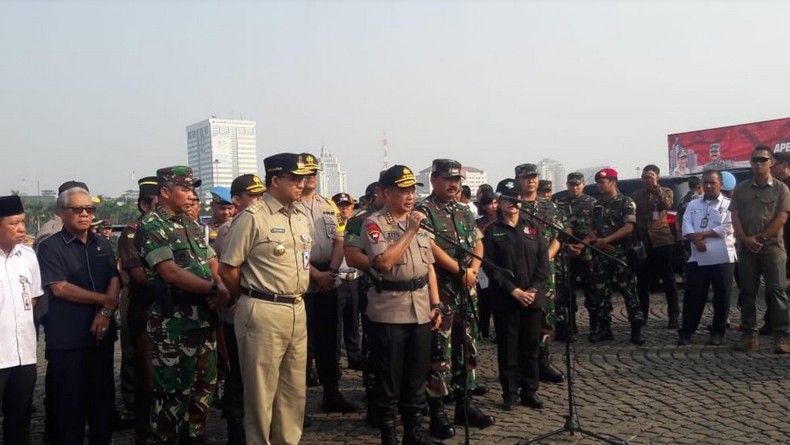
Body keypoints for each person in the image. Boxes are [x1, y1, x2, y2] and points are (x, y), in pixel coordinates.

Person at [218, 153, 313, 445]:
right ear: (275, 180)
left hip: (296, 307)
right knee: (261, 393)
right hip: (262, 308)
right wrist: (246, 296)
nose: (302, 184)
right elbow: (228, 268)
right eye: (294, 179)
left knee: (294, 391)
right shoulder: (252, 217)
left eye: (303, 178)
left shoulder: (299, 216)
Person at [136, 166, 230, 443]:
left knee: (204, 390)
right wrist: (214, 288)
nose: (192, 195)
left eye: (192, 189)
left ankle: (195, 436)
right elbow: (170, 272)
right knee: (172, 394)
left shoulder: (189, 224)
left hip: (203, 319)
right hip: (173, 324)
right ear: (165, 192)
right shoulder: (152, 226)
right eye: (185, 189)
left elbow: (211, 261)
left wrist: (221, 286)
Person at [361, 164, 442, 445]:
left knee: (416, 377)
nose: (409, 196)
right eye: (402, 190)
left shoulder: (420, 222)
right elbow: (383, 263)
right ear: (385, 193)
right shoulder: (374, 223)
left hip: (420, 308)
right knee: (389, 381)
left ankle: (413, 433)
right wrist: (408, 231)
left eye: (411, 190)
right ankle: (389, 436)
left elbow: (429, 266)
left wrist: (436, 304)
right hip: (389, 311)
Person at [37, 185, 120, 445]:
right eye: (77, 209)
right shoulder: (50, 247)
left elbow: (115, 277)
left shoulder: (102, 243)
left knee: (102, 407)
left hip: (101, 337)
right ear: (62, 213)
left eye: (89, 209)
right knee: (68, 411)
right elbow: (60, 288)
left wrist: (106, 310)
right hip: (69, 340)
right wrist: (104, 300)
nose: (85, 214)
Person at [418, 159, 494, 440]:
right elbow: (430, 246)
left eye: (457, 180)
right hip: (442, 290)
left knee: (468, 347)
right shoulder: (424, 211)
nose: (454, 185)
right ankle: (436, 410)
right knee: (440, 351)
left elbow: (478, 241)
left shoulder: (463, 211)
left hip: (467, 288)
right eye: (448, 179)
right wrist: (459, 271)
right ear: (434, 179)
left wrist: (473, 269)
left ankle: (465, 405)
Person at [297, 152, 358, 413]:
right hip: (300, 278)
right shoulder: (290, 205)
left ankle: (331, 393)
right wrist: (315, 275)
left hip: (328, 276)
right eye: (306, 172)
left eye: (314, 172)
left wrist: (330, 273)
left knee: (329, 341)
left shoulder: (327, 205)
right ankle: (295, 405)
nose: (311, 176)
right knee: (300, 344)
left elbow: (339, 240)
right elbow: (290, 249)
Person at [483, 179, 550, 411]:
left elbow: (543, 261)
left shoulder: (533, 227)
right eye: (507, 199)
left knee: (531, 347)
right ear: (499, 203)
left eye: (516, 199)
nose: (512, 203)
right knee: (508, 347)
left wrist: (532, 289)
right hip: (506, 299)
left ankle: (530, 390)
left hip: (531, 297)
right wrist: (514, 290)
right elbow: (489, 266)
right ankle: (509, 392)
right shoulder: (492, 231)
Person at [212, 173, 265, 445]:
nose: (259, 200)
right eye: (252, 195)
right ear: (237, 200)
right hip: (238, 310)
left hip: (264, 312)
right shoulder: (230, 228)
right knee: (238, 376)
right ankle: (237, 432)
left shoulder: (267, 222)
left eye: (260, 194)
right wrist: (240, 297)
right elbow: (226, 270)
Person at [731, 146, 790, 353]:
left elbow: (782, 217)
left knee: (777, 292)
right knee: (747, 292)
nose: (758, 163)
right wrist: (745, 239)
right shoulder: (742, 188)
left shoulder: (781, 188)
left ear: (771, 162)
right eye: (755, 159)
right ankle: (749, 337)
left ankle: (782, 337)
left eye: (763, 159)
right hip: (747, 249)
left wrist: (762, 238)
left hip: (772, 248)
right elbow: (735, 215)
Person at [117, 176, 158, 442]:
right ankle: (140, 420)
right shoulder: (131, 233)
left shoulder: (174, 229)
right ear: (145, 205)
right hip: (142, 305)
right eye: (158, 203)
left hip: (167, 309)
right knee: (140, 366)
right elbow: (141, 277)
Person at [514, 163, 564, 384]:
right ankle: (520, 365)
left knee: (546, 314)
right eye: (526, 178)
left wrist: (547, 258)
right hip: (521, 269)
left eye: (534, 177)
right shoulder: (513, 205)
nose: (531, 181)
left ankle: (543, 361)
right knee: (520, 317)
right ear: (518, 180)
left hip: (545, 271)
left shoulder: (549, 207)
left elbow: (558, 236)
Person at [343, 179, 386, 428]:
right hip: (373, 290)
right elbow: (352, 255)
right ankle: (375, 402)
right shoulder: (360, 220)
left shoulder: (400, 218)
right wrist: (381, 266)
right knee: (374, 348)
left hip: (403, 295)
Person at [585, 168, 646, 344]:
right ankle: (605, 328)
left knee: (629, 291)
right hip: (600, 255)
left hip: (621, 254)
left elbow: (628, 227)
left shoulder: (625, 202)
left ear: (613, 182)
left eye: (602, 182)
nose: (599, 185)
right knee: (601, 292)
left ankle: (636, 329)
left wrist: (606, 241)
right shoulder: (597, 204)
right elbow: (590, 226)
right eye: (598, 182)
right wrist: (596, 239)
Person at [0, 195, 42, 445]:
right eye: (14, 223)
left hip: (24, 355)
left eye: (23, 222)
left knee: (20, 418)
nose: (22, 228)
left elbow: (34, 297)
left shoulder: (27, 256)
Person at [678, 170, 736, 346]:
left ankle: (718, 331)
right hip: (698, 255)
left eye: (713, 182)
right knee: (694, 294)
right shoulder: (693, 204)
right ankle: (686, 332)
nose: (709, 186)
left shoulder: (729, 204)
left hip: (722, 256)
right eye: (706, 183)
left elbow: (729, 227)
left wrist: (703, 235)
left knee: (722, 295)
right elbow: (686, 225)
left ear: (720, 184)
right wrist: (695, 239)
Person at [630, 165, 680, 329]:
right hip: (644, 243)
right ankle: (642, 315)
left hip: (662, 241)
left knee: (668, 280)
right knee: (642, 282)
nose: (646, 180)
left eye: (650, 176)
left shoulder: (666, 190)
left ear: (657, 177)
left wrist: (656, 188)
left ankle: (673, 316)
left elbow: (668, 204)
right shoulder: (636, 195)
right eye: (644, 177)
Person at [553, 172, 598, 339]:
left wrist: (582, 244)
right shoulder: (558, 203)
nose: (574, 187)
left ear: (583, 185)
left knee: (592, 290)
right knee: (566, 291)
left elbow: (596, 227)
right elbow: (554, 228)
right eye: (571, 184)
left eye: (577, 184)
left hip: (587, 252)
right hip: (565, 252)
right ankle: (569, 327)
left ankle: (595, 326)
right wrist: (566, 245)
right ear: (567, 185)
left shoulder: (592, 202)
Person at [332, 192, 363, 371]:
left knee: (353, 323)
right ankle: (334, 359)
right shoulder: (330, 227)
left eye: (347, 205)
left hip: (355, 278)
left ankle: (355, 357)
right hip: (338, 280)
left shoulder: (357, 226)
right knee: (335, 324)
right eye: (340, 205)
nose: (344, 208)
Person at [475, 191, 498, 341]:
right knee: (483, 299)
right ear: (483, 206)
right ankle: (482, 330)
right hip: (482, 265)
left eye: (496, 202)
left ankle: (498, 330)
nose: (493, 206)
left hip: (498, 265)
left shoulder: (502, 221)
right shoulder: (477, 223)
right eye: (490, 203)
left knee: (498, 300)